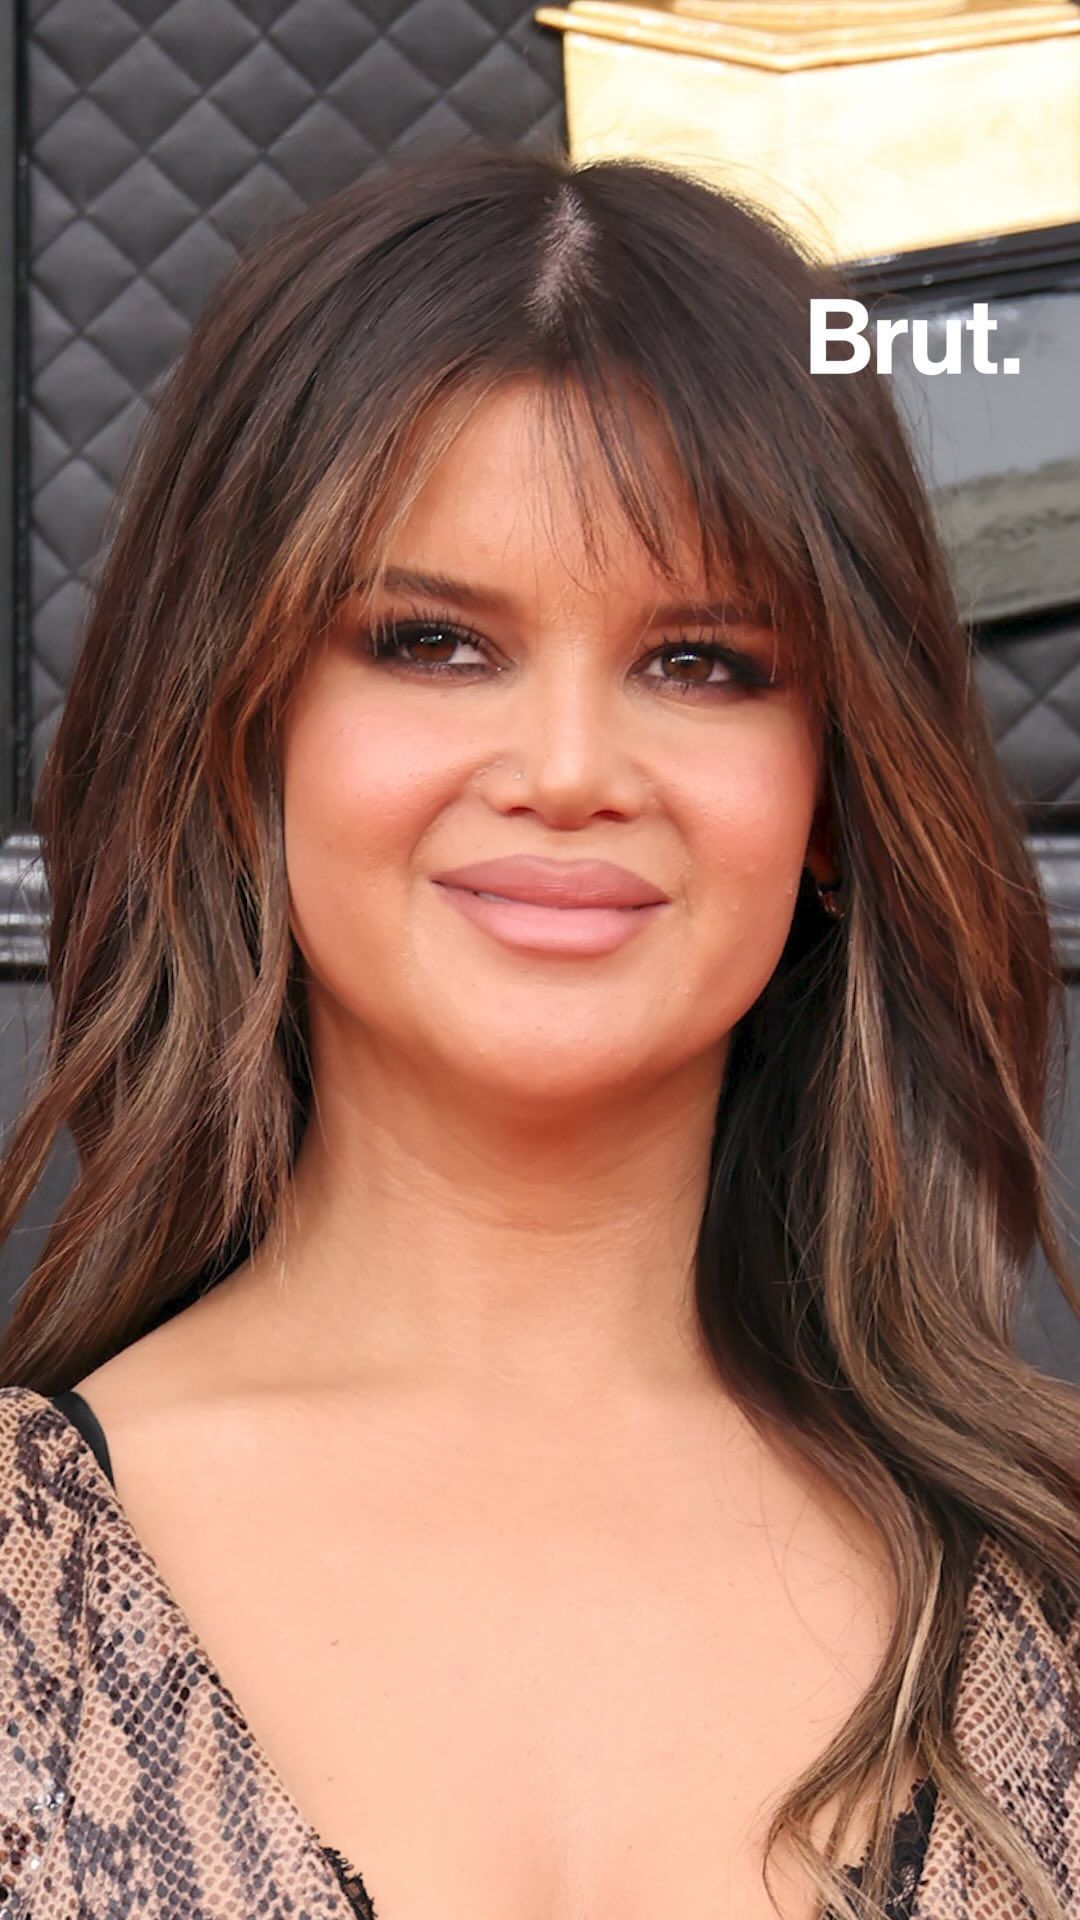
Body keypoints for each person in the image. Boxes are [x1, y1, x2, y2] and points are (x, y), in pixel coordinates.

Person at [0, 142, 1075, 1920]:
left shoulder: (1050, 1594)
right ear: (246, 730)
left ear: (830, 792)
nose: (572, 771)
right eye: (433, 642)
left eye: (703, 662)